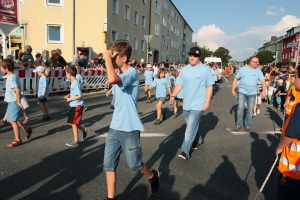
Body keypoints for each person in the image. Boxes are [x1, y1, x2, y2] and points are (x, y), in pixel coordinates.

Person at [103, 40, 160, 200]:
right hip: (114, 128)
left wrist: (107, 57)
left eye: (114, 57)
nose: (111, 60)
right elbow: (113, 80)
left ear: (124, 58)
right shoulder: (120, 75)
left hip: (129, 129)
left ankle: (152, 176)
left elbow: (114, 79)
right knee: (108, 165)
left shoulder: (132, 73)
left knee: (135, 165)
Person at [169, 46, 214, 160]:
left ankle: (185, 151)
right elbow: (179, 84)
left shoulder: (205, 69)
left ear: (199, 57)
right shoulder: (185, 69)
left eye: (195, 56)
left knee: (189, 128)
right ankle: (198, 140)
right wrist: (173, 95)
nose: (192, 57)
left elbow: (209, 86)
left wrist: (207, 101)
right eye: (191, 55)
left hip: (198, 103)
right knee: (191, 125)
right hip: (186, 103)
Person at [276, 65, 300, 199]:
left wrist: (280, 147)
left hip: (293, 171)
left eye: (296, 77)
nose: (294, 80)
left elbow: (293, 133)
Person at [0, 59, 33, 147]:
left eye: (1, 67)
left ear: (6, 68)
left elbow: (17, 90)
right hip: (12, 101)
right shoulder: (11, 76)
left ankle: (17, 140)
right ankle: (27, 129)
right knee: (10, 119)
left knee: (13, 120)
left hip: (14, 102)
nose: (0, 69)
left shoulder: (11, 78)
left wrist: (18, 101)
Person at [231, 56, 266, 131]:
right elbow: (236, 79)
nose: (258, 63)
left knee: (250, 110)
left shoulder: (258, 71)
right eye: (256, 62)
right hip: (242, 91)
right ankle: (238, 124)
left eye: (258, 62)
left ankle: (247, 124)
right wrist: (233, 90)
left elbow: (263, 81)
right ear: (251, 62)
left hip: (252, 93)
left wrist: (264, 91)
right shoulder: (242, 69)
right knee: (240, 108)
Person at [63, 66, 89, 147]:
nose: (66, 75)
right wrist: (68, 95)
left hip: (77, 105)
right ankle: (84, 130)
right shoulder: (74, 83)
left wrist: (70, 99)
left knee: (74, 123)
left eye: (66, 73)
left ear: (70, 74)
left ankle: (76, 140)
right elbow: (75, 92)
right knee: (71, 123)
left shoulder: (75, 83)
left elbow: (79, 95)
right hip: (74, 105)